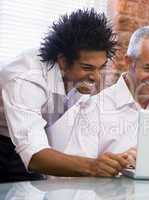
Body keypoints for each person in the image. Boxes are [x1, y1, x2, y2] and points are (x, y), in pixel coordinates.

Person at [0, 9, 129, 182]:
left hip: (24, 145)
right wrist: (93, 166)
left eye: (101, 67)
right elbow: (35, 156)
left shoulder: (77, 78)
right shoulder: (26, 79)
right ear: (62, 60)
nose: (97, 77)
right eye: (87, 68)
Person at [60, 25, 149, 166]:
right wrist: (116, 165)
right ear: (129, 62)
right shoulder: (94, 108)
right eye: (148, 68)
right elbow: (76, 174)